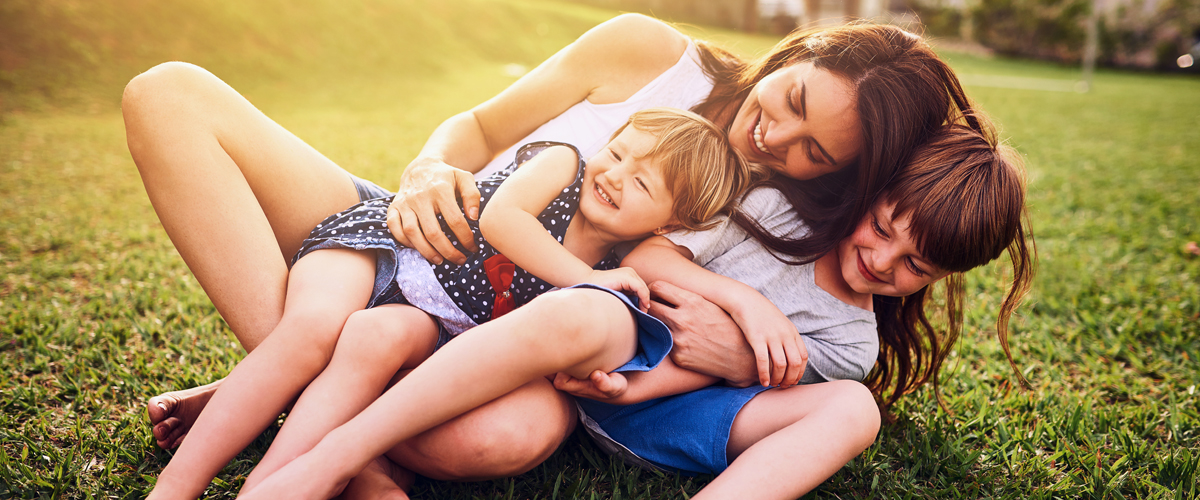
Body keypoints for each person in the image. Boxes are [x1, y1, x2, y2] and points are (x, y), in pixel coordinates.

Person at [122, 15, 983, 497]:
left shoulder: (769, 205)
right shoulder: (649, 57)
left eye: (815, 152)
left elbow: (737, 312)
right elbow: (482, 128)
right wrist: (431, 169)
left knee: (491, 443)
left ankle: (296, 401)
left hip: (508, 337)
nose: (775, 135)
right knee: (170, 95)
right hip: (429, 246)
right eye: (790, 99)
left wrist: (730, 351)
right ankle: (298, 400)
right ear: (792, 55)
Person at [232, 121, 1034, 500]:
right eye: (884, 228)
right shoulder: (776, 212)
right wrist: (739, 301)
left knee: (854, 407)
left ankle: (341, 438)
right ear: (873, 191)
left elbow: (760, 385)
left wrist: (652, 386)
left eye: (914, 266)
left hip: (663, 410)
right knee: (596, 307)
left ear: (939, 277)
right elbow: (650, 255)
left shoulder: (852, 339)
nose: (883, 260)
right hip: (585, 348)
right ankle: (336, 456)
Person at [145, 108, 756, 499]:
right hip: (383, 251)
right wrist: (587, 280)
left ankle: (270, 484)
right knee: (309, 333)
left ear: (673, 220)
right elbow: (504, 221)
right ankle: (178, 487)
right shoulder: (563, 166)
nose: (617, 174)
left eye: (643, 181)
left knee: (374, 343)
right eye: (620, 151)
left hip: (426, 320)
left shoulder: (623, 262)